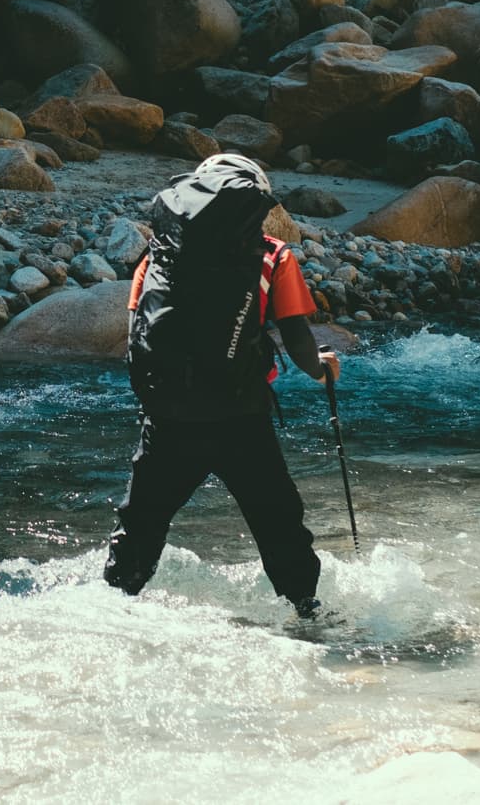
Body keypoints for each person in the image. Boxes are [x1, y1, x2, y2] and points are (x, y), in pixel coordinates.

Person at [103, 152, 341, 617]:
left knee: (142, 525)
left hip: (170, 418)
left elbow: (137, 334)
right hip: (242, 418)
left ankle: (113, 607)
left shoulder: (160, 256)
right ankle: (307, 614)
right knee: (279, 525)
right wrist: (320, 369)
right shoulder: (273, 254)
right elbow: (296, 334)